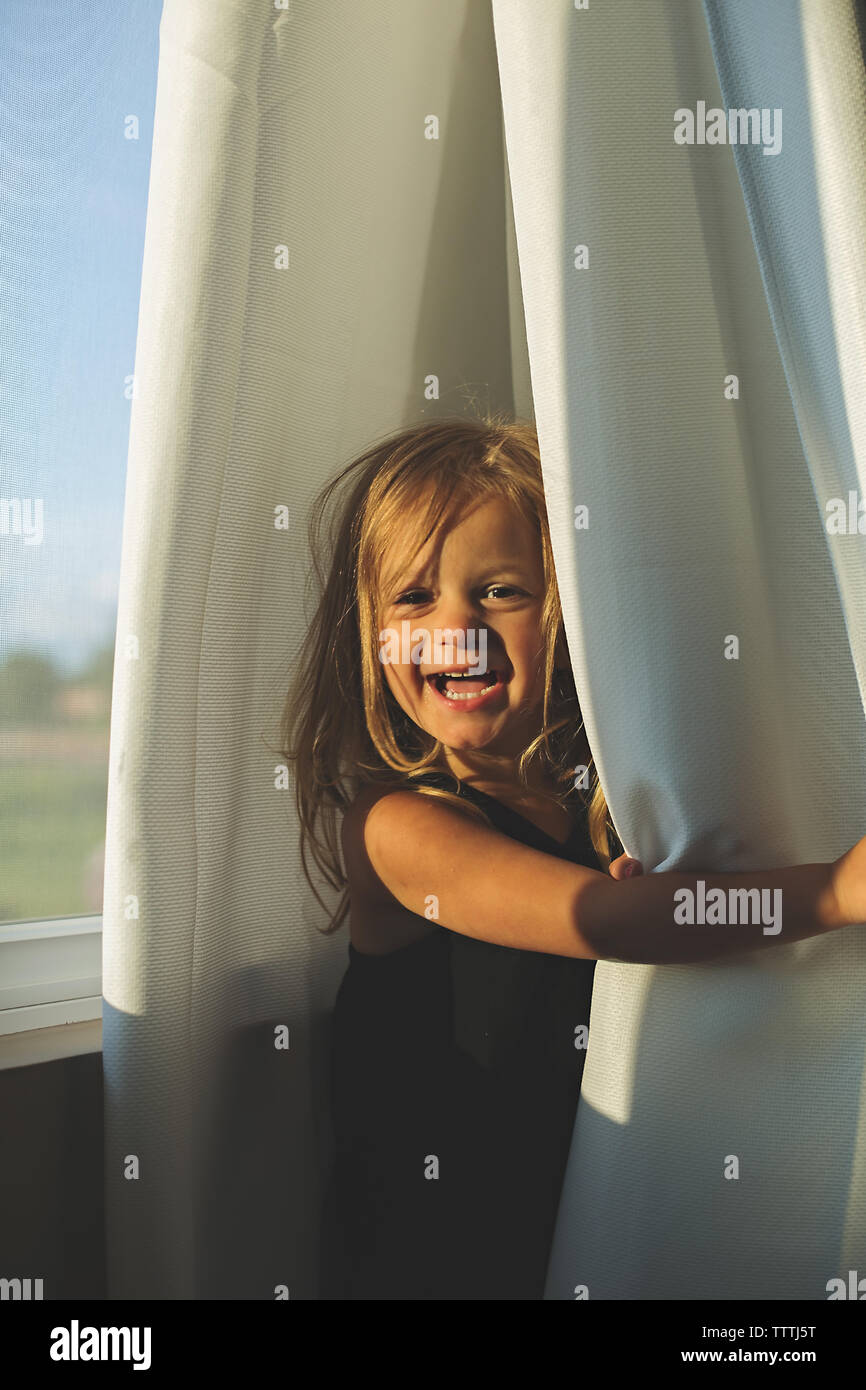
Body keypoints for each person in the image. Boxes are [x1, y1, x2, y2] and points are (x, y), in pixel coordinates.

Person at [281, 414, 866, 1300]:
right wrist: (832, 893)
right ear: (373, 634)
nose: (454, 630)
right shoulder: (397, 829)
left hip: (562, 1237)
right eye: (413, 600)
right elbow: (612, 923)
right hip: (423, 1265)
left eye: (500, 592)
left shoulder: (596, 808)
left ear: (566, 616)